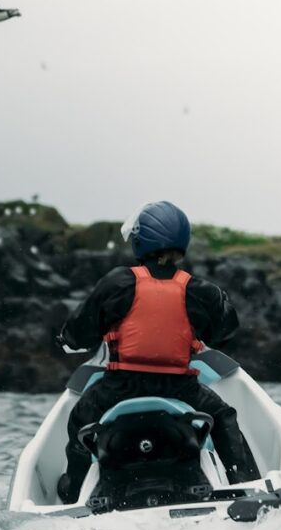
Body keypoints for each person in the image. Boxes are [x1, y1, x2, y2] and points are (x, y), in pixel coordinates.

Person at [55, 200, 260, 503]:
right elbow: (226, 332)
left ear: (140, 241)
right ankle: (243, 485)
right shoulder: (199, 290)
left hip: (118, 388)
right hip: (180, 388)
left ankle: (73, 490)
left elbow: (80, 332)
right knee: (223, 417)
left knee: (78, 420)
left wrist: (65, 338)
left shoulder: (118, 282)